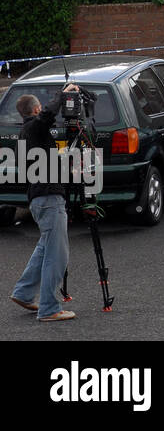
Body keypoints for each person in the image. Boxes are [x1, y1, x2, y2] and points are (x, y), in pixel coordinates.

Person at [10, 92, 74, 322]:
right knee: (57, 255)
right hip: (48, 198)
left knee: (44, 249)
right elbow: (48, 115)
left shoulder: (26, 133)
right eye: (41, 109)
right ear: (36, 110)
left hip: (39, 199)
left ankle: (24, 293)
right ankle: (49, 308)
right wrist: (65, 94)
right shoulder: (35, 128)